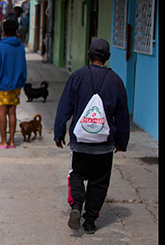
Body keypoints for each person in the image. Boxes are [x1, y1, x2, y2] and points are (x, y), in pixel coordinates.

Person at [54, 39, 130, 234]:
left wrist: (59, 132)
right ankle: (89, 221)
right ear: (108, 58)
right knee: (100, 181)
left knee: (76, 175)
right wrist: (122, 140)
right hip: (104, 145)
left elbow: (65, 107)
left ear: (88, 55)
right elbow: (122, 115)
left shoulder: (77, 76)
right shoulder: (116, 81)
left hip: (80, 143)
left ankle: (76, 206)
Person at [0, 19, 26, 149]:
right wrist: (20, 83)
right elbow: (23, 67)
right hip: (16, 85)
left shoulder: (0, 47)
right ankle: (11, 142)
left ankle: (3, 141)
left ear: (3, 31)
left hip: (2, 85)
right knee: (12, 113)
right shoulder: (20, 47)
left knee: (2, 112)